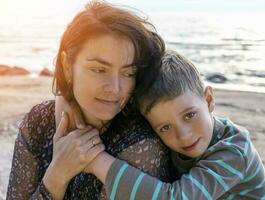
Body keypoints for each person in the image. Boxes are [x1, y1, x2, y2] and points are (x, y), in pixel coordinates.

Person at [6, 1, 174, 199]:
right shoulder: (39, 121)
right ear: (67, 66)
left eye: (128, 73)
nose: (115, 88)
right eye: (99, 69)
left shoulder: (140, 145)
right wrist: (57, 175)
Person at [84, 50, 265, 199]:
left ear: (208, 100)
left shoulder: (235, 151)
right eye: (165, 127)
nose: (183, 135)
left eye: (190, 115)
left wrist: (96, 162)